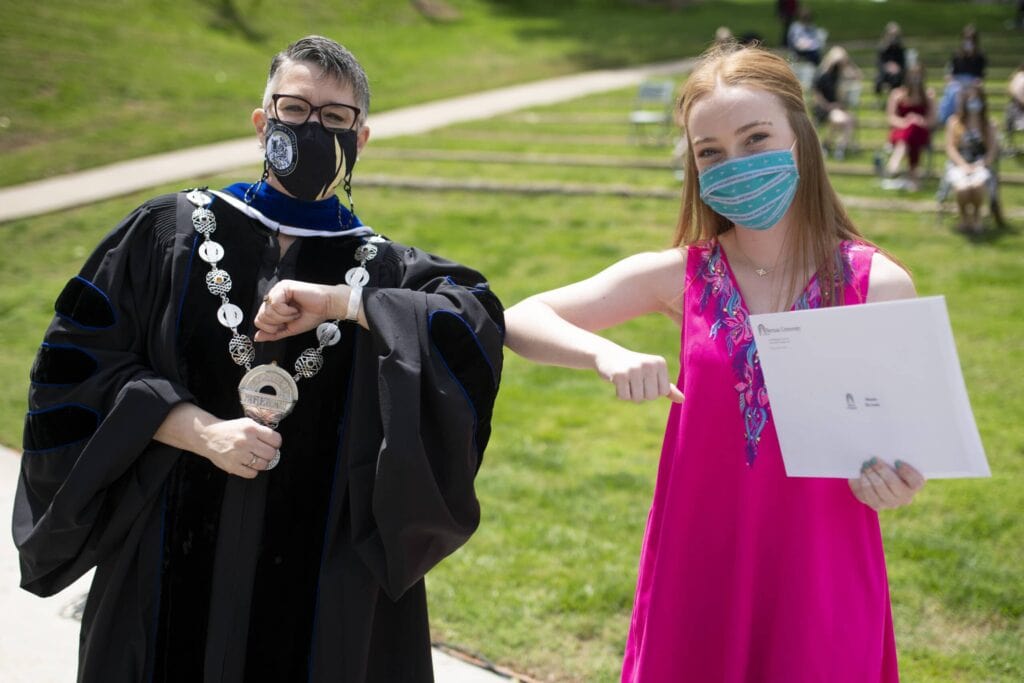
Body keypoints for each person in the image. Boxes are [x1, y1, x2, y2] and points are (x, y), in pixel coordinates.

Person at [13, 35, 504, 683]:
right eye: (294, 109)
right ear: (260, 120)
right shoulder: (170, 231)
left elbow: (475, 322)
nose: (310, 129)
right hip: (164, 555)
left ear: (361, 138)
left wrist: (345, 303)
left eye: (334, 118)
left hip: (324, 578)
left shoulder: (379, 268)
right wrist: (195, 426)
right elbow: (75, 369)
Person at [504, 44, 925, 682]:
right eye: (711, 152)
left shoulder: (879, 285)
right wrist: (604, 353)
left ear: (800, 139)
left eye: (756, 138)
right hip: (696, 570)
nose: (735, 164)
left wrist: (896, 482)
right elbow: (518, 318)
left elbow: (907, 447)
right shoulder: (681, 275)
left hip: (822, 580)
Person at [942, 83, 1003, 232]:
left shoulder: (988, 124)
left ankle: (976, 218)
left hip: (981, 164)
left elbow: (992, 150)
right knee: (962, 188)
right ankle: (964, 219)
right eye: (970, 99)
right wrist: (963, 165)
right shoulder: (954, 122)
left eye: (976, 99)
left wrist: (982, 164)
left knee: (976, 186)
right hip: (959, 164)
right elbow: (950, 148)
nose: (973, 102)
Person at [883, 63, 936, 191]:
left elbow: (932, 119)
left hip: (921, 131)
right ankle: (913, 176)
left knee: (913, 130)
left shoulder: (928, 95)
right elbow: (891, 117)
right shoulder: (897, 94)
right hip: (900, 130)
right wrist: (906, 122)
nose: (915, 78)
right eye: (913, 75)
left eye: (918, 75)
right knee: (909, 132)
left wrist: (919, 120)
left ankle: (894, 163)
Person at [812, 46, 862, 160]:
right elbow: (817, 96)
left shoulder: (839, 73)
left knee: (849, 120)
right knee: (844, 120)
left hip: (837, 109)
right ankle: (837, 147)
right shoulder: (821, 74)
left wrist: (847, 63)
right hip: (824, 109)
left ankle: (838, 146)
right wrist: (828, 106)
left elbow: (858, 76)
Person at [938, 24, 987, 124]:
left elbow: (980, 78)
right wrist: (955, 82)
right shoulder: (956, 55)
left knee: (970, 92)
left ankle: (965, 117)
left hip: (972, 83)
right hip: (957, 82)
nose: (968, 42)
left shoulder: (980, 56)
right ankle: (946, 118)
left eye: (971, 39)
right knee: (953, 92)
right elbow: (950, 74)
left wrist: (972, 85)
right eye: (966, 39)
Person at [875, 22, 907, 100]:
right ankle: (881, 100)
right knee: (879, 80)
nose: (893, 37)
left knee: (896, 78)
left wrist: (897, 68)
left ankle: (893, 99)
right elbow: (879, 63)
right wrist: (887, 67)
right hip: (884, 72)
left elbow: (903, 63)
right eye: (891, 34)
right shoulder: (882, 48)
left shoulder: (900, 49)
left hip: (897, 73)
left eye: (895, 34)